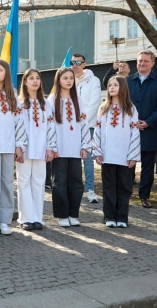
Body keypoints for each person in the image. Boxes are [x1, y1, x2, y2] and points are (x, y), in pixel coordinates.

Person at [0, 60, 28, 236]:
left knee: (7, 183)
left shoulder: (13, 96)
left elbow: (19, 122)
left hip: (8, 146)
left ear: (6, 73)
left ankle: (5, 220)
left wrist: (19, 145)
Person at [93, 76, 141, 228]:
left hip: (125, 156)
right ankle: (109, 216)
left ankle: (122, 217)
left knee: (124, 187)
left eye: (115, 85)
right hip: (107, 156)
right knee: (109, 186)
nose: (112, 87)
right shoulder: (103, 108)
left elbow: (135, 133)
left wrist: (133, 155)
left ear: (123, 87)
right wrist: (97, 151)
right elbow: (98, 131)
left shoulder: (131, 109)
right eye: (109, 85)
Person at [49, 67, 91, 227]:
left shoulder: (77, 100)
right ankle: (62, 215)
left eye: (71, 78)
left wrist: (85, 145)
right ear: (58, 80)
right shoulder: (52, 100)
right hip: (60, 149)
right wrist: (53, 146)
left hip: (75, 148)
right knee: (59, 182)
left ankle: (74, 213)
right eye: (65, 78)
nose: (68, 81)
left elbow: (84, 124)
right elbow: (49, 125)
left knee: (76, 182)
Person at [127, 50, 157, 208]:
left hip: (150, 130)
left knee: (148, 166)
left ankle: (144, 196)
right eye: (139, 61)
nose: (142, 64)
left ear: (152, 63)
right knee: (128, 164)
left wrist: (149, 122)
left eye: (145, 61)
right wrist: (131, 122)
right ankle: (127, 194)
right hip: (129, 130)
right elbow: (122, 103)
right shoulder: (128, 81)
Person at [17, 69, 56, 230]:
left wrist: (51, 147)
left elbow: (51, 127)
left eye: (37, 78)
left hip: (41, 148)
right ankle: (25, 218)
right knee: (23, 181)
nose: (35, 81)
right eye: (31, 78)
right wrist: (18, 146)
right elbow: (17, 125)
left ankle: (37, 217)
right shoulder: (20, 103)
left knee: (39, 182)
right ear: (25, 82)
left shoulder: (46, 103)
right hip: (25, 148)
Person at [70, 53, 101, 203]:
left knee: (87, 159)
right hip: (70, 127)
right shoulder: (67, 80)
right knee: (72, 158)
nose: (75, 65)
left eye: (78, 62)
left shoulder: (93, 80)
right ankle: (75, 188)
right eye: (72, 62)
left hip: (87, 125)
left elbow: (94, 103)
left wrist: (81, 121)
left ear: (84, 64)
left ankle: (90, 189)